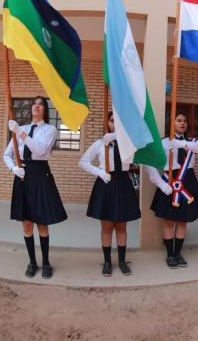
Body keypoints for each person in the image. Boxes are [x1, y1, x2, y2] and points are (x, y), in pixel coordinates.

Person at [5, 96, 66, 279]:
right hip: (23, 175)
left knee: (42, 222)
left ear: (45, 110)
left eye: (40, 104)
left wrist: (20, 133)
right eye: (34, 103)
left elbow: (39, 150)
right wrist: (14, 168)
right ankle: (32, 262)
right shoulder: (21, 128)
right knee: (26, 222)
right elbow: (7, 155)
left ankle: (46, 262)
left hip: (41, 175)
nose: (36, 106)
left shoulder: (50, 129)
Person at [79, 112, 139, 276]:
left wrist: (118, 136)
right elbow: (83, 161)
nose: (115, 124)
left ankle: (121, 261)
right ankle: (107, 262)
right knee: (107, 226)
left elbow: (137, 154)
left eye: (119, 122)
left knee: (121, 225)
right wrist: (99, 172)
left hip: (123, 185)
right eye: (113, 121)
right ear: (107, 122)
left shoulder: (129, 143)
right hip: (106, 183)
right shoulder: (100, 144)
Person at [146, 113, 198, 269]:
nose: (182, 123)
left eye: (185, 121)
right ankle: (170, 254)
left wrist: (183, 145)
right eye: (179, 120)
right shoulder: (163, 142)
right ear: (172, 123)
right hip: (170, 182)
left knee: (182, 220)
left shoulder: (192, 142)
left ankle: (178, 253)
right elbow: (148, 163)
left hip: (188, 182)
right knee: (168, 221)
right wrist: (160, 183)